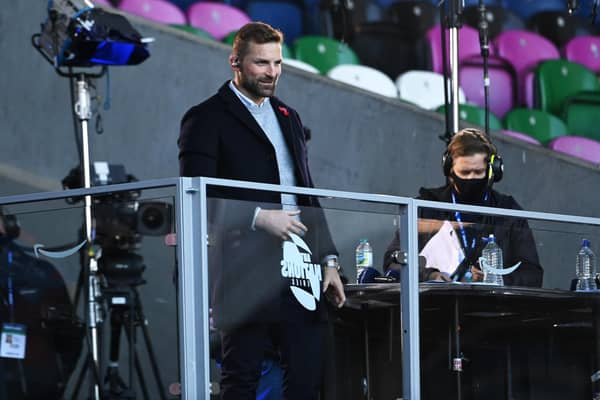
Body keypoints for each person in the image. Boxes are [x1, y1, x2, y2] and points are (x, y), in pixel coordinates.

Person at [178, 22, 345, 400]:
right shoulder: (205, 117)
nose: (272, 72)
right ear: (235, 61)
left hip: (300, 264)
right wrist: (259, 216)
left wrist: (329, 259)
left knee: (306, 378)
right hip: (243, 269)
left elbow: (305, 191)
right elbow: (197, 193)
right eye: (261, 63)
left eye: (278, 63)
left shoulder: (289, 116)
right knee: (242, 378)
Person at [383, 128, 543, 287]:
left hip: (493, 309)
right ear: (449, 169)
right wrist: (429, 275)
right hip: (435, 306)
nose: (471, 178)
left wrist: (495, 279)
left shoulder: (507, 210)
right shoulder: (425, 206)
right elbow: (393, 262)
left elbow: (532, 274)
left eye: (478, 172)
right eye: (465, 172)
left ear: (492, 171)